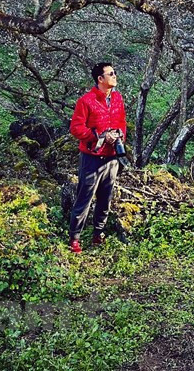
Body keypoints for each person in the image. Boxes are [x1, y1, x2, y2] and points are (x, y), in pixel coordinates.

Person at [67, 61, 127, 254]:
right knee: (84, 198)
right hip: (92, 158)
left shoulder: (117, 98)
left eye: (114, 72)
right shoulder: (86, 101)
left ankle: (98, 234)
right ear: (100, 79)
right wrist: (99, 136)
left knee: (105, 198)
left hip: (112, 158)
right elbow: (76, 128)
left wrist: (119, 136)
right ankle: (74, 238)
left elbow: (122, 122)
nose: (114, 76)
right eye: (111, 74)